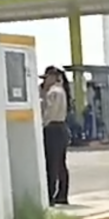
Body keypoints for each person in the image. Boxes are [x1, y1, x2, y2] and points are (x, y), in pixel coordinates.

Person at [40, 66, 70, 205]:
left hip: (52, 128)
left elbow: (49, 113)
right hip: (61, 128)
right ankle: (61, 194)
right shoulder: (61, 90)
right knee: (60, 164)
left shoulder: (54, 92)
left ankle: (50, 195)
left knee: (51, 164)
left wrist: (41, 125)